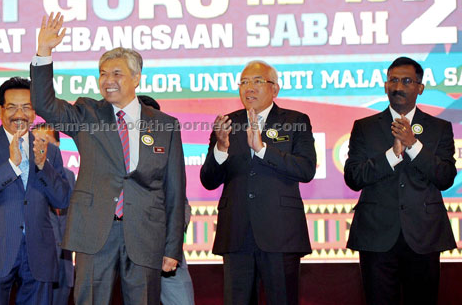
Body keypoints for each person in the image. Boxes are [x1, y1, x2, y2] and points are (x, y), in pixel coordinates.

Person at [30, 13, 186, 305]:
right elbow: (44, 104)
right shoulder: (87, 113)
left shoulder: (165, 125)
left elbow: (175, 192)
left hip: (145, 234)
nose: (108, 80)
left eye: (116, 73)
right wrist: (44, 52)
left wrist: (172, 247)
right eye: (103, 73)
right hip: (94, 231)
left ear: (136, 77)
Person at [200, 61, 316, 305]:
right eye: (243, 82)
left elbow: (305, 169)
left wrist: (262, 149)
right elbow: (208, 181)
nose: (249, 88)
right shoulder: (227, 124)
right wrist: (221, 148)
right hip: (236, 232)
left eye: (257, 81)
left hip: (281, 233)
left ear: (275, 89)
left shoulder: (296, 120)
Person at [344, 57, 457, 305]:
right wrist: (392, 155)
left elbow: (445, 177)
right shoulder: (364, 127)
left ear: (420, 88)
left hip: (424, 236)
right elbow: (353, 177)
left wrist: (413, 145)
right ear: (385, 86)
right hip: (376, 236)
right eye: (393, 80)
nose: (398, 87)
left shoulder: (439, 128)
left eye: (406, 81)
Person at [0, 77, 70, 305]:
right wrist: (11, 165)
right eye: (12, 107)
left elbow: (62, 199)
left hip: (38, 252)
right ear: (0, 110)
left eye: (26, 107)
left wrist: (43, 166)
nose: (19, 114)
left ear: (34, 112)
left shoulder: (48, 151)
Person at [137, 96, 195, 305]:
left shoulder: (168, 154)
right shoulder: (121, 156)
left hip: (167, 250)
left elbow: (182, 206)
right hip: (132, 251)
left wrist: (170, 238)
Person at [31, 123, 75, 305]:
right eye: (34, 143)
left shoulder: (70, 176)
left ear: (57, 145)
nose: (38, 147)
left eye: (44, 141)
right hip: (39, 263)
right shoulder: (30, 175)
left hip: (64, 260)